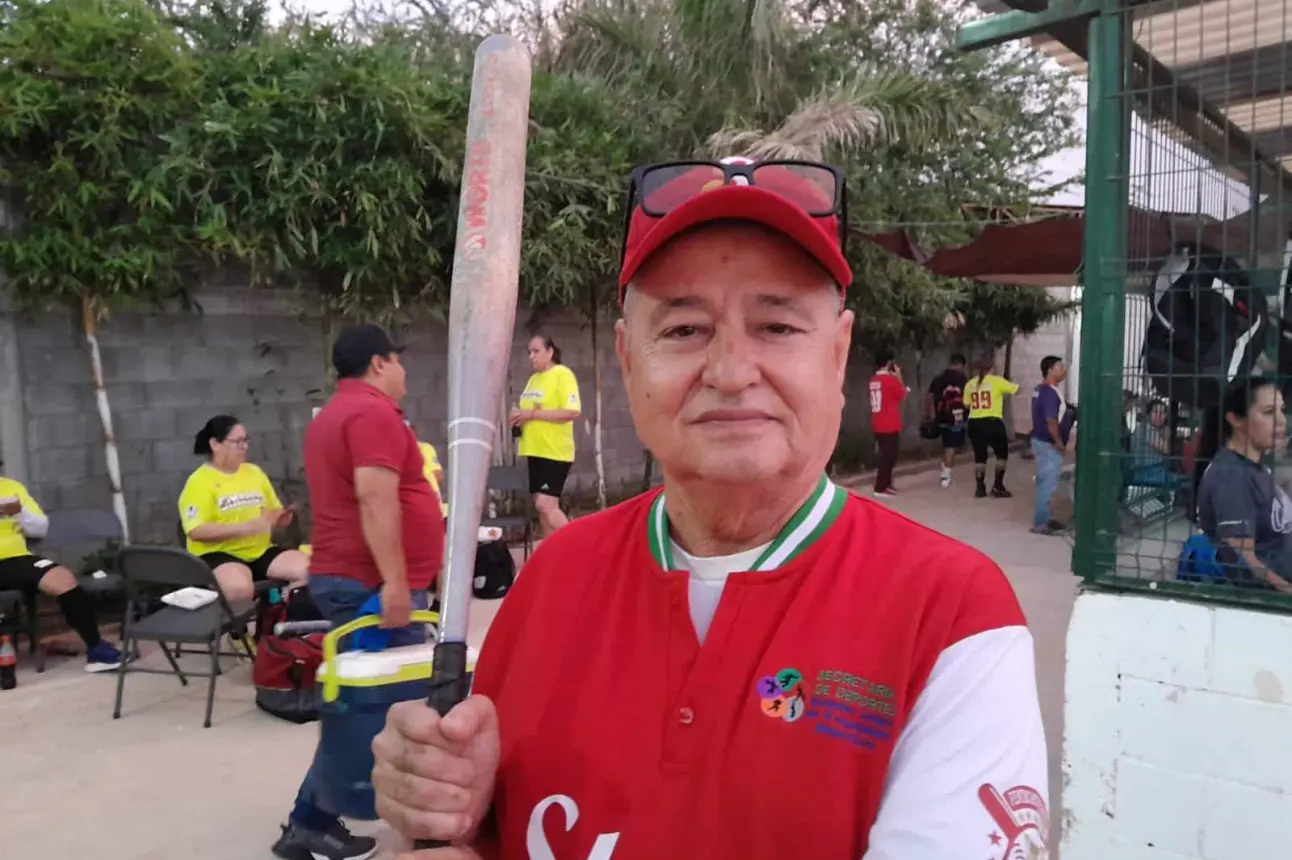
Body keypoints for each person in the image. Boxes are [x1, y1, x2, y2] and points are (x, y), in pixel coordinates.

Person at [370, 157, 1048, 860]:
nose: (730, 372)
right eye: (685, 330)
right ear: (630, 362)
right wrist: (445, 825)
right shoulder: (552, 579)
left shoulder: (952, 615)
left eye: (778, 326)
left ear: (837, 353)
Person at [272, 323, 446, 860]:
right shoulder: (371, 414)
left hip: (357, 577)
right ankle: (311, 821)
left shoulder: (334, 415)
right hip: (370, 586)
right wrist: (396, 583)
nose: (403, 371)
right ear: (377, 364)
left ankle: (343, 815)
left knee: (372, 707)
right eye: (397, 361)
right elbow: (375, 500)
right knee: (366, 712)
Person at [0, 470, 125, 672]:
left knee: (63, 579)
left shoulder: (11, 488)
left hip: (15, 559)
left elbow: (41, 529)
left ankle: (96, 650)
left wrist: (19, 511)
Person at [179, 415, 309, 601]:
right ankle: (243, 629)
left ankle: (286, 614)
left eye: (246, 440)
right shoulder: (199, 482)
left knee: (314, 570)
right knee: (238, 588)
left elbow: (272, 513)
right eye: (237, 441)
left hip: (260, 550)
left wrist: (281, 519)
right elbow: (196, 531)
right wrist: (246, 528)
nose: (244, 446)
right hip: (220, 554)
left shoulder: (254, 473)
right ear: (215, 444)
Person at [1195, 377, 1292, 592]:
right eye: (1268, 412)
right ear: (1236, 419)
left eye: (1282, 410)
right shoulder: (1231, 475)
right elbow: (1242, 560)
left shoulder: (1254, 466)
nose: (1281, 420)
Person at [510, 335, 581, 536]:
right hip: (535, 449)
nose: (531, 356)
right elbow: (529, 411)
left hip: (555, 451)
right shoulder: (533, 379)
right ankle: (554, 557)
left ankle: (580, 545)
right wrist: (519, 417)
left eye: (536, 351)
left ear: (550, 352)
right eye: (529, 352)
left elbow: (572, 412)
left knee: (546, 504)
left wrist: (532, 414)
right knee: (543, 510)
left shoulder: (562, 374)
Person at [964, 352, 1019, 499]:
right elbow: (1017, 390)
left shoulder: (970, 384)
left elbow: (966, 404)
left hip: (974, 423)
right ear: (992, 368)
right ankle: (998, 486)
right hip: (993, 422)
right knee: (1001, 454)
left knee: (980, 456)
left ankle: (980, 488)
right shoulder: (997, 381)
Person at [1028, 356, 1068, 536]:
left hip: (1040, 441)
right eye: (1060, 366)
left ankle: (1045, 517)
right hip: (1048, 444)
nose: (1064, 369)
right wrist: (1060, 444)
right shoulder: (1050, 393)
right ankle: (1040, 523)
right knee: (1047, 484)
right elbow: (1051, 421)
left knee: (1046, 481)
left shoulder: (1039, 390)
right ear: (1050, 369)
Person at [925, 353, 969, 489]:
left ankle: (944, 466)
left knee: (946, 444)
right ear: (961, 365)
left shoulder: (938, 379)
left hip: (940, 417)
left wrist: (929, 415)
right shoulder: (963, 379)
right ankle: (946, 476)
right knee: (952, 446)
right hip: (956, 418)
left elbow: (929, 397)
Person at [867, 348, 906, 497]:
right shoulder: (890, 380)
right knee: (888, 457)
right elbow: (902, 394)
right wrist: (899, 377)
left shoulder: (873, 380)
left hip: (878, 422)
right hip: (890, 424)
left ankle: (887, 484)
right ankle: (880, 487)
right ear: (889, 363)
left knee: (886, 454)